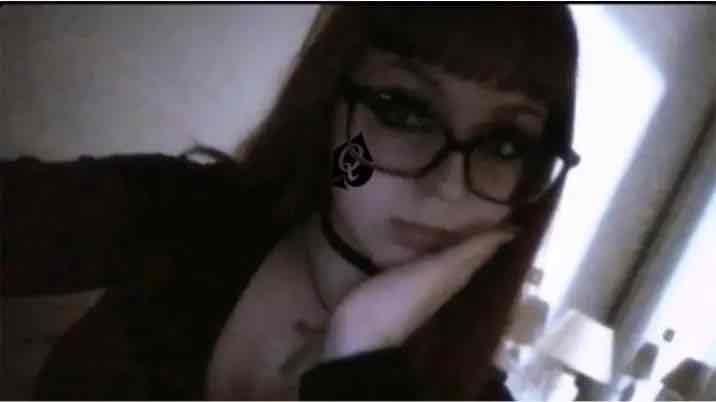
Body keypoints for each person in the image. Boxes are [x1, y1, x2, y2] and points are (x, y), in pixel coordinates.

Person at [0, 5, 580, 400]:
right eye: (404, 111)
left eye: (505, 144)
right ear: (330, 105)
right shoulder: (186, 211)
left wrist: (358, 360)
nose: (449, 185)